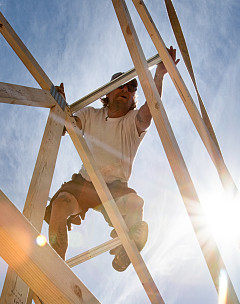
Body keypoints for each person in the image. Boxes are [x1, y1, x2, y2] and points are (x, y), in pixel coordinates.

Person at [44, 47, 179, 271]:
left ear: (134, 96)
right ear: (107, 94)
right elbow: (67, 126)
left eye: (131, 87)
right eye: (119, 86)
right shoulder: (90, 115)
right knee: (60, 205)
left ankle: (128, 245)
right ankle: (55, 268)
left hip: (115, 188)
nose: (125, 89)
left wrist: (159, 74)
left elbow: (150, 112)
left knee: (135, 204)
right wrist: (61, 109)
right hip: (85, 183)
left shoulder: (132, 122)